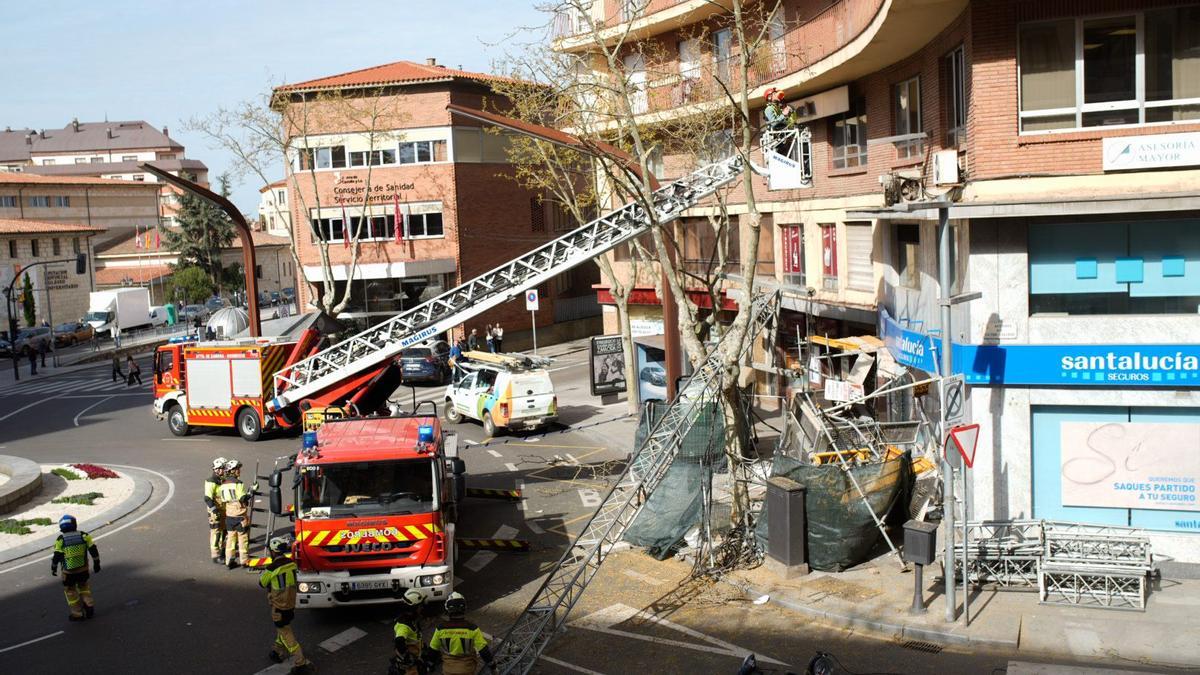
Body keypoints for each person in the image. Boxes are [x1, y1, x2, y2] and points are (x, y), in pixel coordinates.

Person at [259, 536, 312, 673]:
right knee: (283, 628)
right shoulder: (291, 563)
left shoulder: (272, 568)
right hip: (290, 604)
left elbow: (262, 583)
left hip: (278, 606)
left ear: (273, 551)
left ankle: (300, 662)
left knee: (286, 633)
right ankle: (276, 652)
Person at [424, 592, 496, 675]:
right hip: (467, 670)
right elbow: (484, 651)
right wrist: (493, 667)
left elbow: (433, 650)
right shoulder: (472, 628)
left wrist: (430, 665)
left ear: (447, 609)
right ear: (464, 608)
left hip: (448, 670)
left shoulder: (440, 629)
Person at [50, 514, 101, 622]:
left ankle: (77, 613)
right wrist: (96, 563)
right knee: (84, 587)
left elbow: (57, 556)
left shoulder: (60, 540)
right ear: (75, 524)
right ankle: (89, 604)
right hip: (83, 569)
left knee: (70, 591)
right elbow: (93, 550)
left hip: (68, 572)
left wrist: (53, 568)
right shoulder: (84, 536)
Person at [218, 459, 255, 569]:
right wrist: (251, 491)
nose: (239, 471)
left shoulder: (223, 484)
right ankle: (244, 560)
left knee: (230, 539)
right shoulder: (238, 483)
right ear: (233, 471)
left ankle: (229, 561)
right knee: (243, 539)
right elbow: (243, 498)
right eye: (238, 469)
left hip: (229, 516)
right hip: (240, 516)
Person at [389, 589, 427, 675]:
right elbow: (399, 640)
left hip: (415, 662)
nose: (422, 608)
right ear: (413, 608)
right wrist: (407, 657)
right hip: (409, 668)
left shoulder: (412, 621)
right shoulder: (403, 626)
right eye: (420, 606)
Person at [203, 457, 227, 564]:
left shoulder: (223, 480)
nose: (225, 470)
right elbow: (207, 498)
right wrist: (214, 510)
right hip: (215, 511)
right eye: (223, 468)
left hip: (224, 509)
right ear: (217, 469)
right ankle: (215, 555)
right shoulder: (211, 481)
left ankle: (223, 550)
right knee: (216, 532)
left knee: (224, 531)